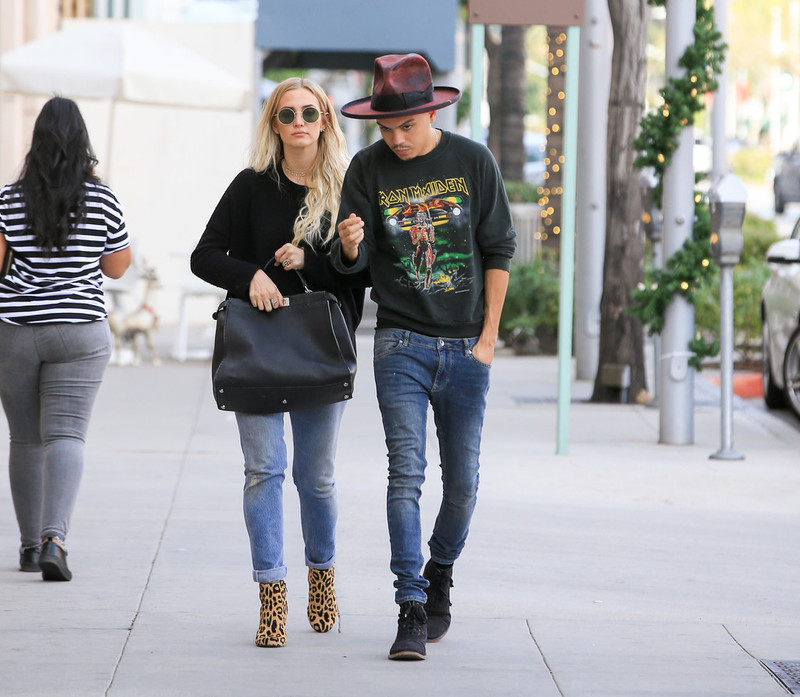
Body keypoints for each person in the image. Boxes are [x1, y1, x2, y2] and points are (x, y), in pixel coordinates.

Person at [332, 53, 516, 660]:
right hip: (401, 342)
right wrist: (351, 245)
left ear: (430, 112)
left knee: (463, 484)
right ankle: (410, 605)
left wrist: (488, 338)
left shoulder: (473, 161)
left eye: (405, 127)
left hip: (467, 346)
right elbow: (351, 267)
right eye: (386, 129)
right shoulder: (366, 168)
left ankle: (440, 568)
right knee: (405, 475)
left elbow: (498, 250)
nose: (396, 139)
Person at [191, 77, 368, 648]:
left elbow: (360, 278)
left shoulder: (345, 188)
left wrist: (317, 259)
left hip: (317, 351)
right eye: (286, 113)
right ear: (273, 123)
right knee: (263, 472)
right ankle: (271, 596)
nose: (298, 122)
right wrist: (253, 276)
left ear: (325, 123)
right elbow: (204, 256)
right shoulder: (250, 187)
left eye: (309, 113)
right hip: (258, 355)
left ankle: (322, 577)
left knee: (315, 478)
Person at [0, 97, 132, 582]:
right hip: (80, 330)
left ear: (36, 142)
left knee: (26, 438)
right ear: (82, 142)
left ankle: (30, 547)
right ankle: (57, 539)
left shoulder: (8, 200)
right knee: (66, 434)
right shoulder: (102, 198)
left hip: (16, 330)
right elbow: (117, 266)